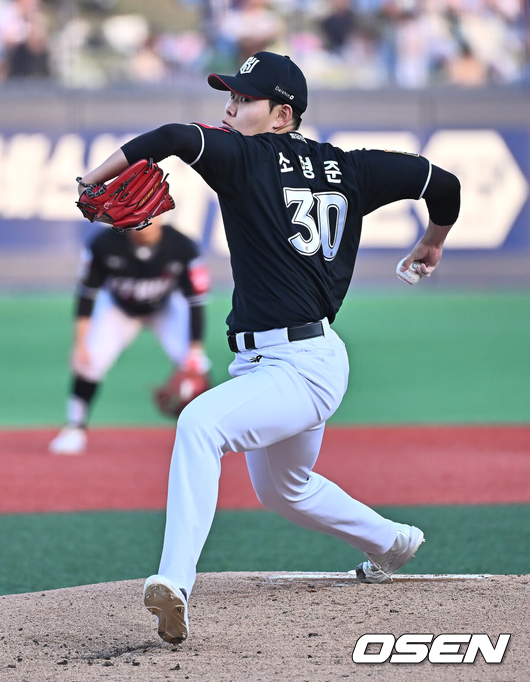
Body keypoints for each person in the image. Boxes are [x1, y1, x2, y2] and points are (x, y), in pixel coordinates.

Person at [76, 51, 460, 643]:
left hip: (298, 367)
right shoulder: (351, 167)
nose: (230, 109)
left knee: (199, 424)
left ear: (282, 115)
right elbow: (444, 185)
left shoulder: (244, 157)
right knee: (285, 489)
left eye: (244, 99)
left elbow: (173, 136)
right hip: (299, 360)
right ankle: (393, 542)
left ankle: (174, 582)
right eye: (229, 97)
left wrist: (92, 180)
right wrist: (432, 242)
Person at [48, 215, 211, 455]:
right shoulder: (104, 243)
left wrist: (195, 349)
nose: (145, 222)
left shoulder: (182, 245)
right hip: (119, 308)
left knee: (197, 366)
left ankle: (209, 431)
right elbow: (87, 294)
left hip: (165, 308)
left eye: (150, 214)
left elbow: (195, 302)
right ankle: (74, 428)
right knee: (90, 360)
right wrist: (80, 343)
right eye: (137, 214)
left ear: (161, 215)